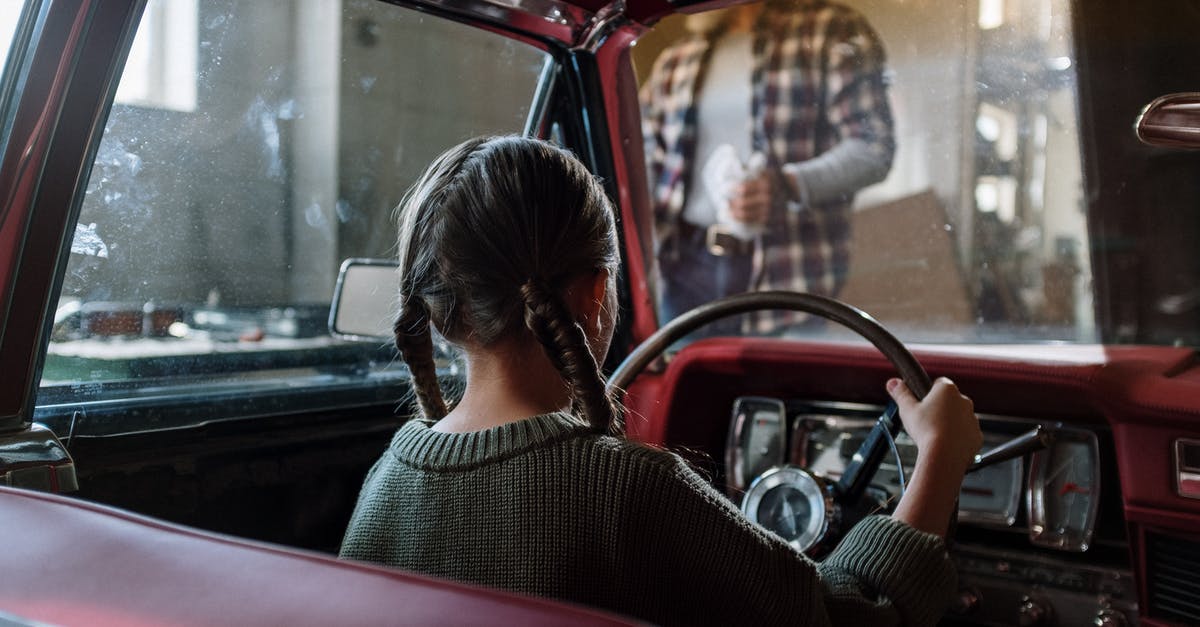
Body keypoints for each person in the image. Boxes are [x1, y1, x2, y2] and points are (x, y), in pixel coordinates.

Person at [339, 136, 982, 626]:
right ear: (595, 297)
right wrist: (939, 461)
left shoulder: (385, 481)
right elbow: (848, 615)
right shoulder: (631, 490)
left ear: (443, 310)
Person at [641, 1, 895, 333]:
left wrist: (786, 185)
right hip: (684, 272)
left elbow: (872, 147)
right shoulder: (678, 58)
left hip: (790, 274)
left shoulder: (831, 29)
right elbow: (642, 158)